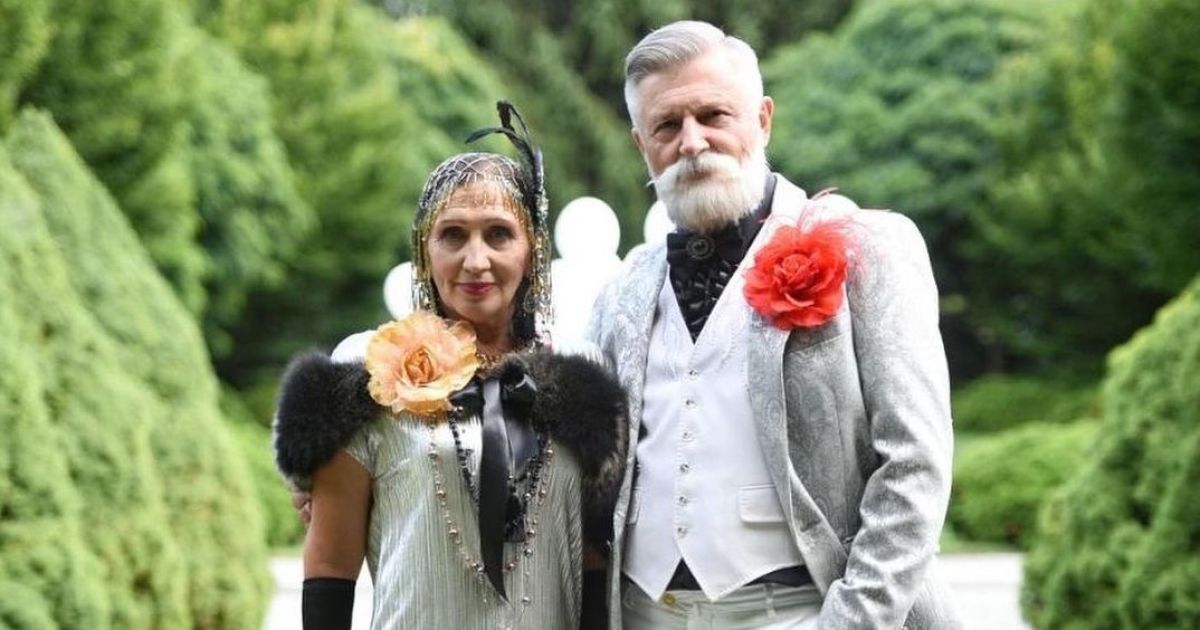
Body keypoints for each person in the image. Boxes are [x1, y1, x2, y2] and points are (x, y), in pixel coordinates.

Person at [586, 21, 962, 629]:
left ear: (762, 120)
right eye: (666, 126)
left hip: (808, 611)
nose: (691, 142)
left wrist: (850, 621)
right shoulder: (619, 292)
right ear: (641, 146)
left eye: (713, 115)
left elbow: (914, 464)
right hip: (643, 614)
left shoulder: (871, 247)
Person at [273, 103, 626, 630]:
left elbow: (596, 561)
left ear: (531, 250)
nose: (475, 261)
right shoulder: (367, 371)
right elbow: (329, 565)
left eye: (499, 234)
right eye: (453, 235)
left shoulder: (583, 376)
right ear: (425, 250)